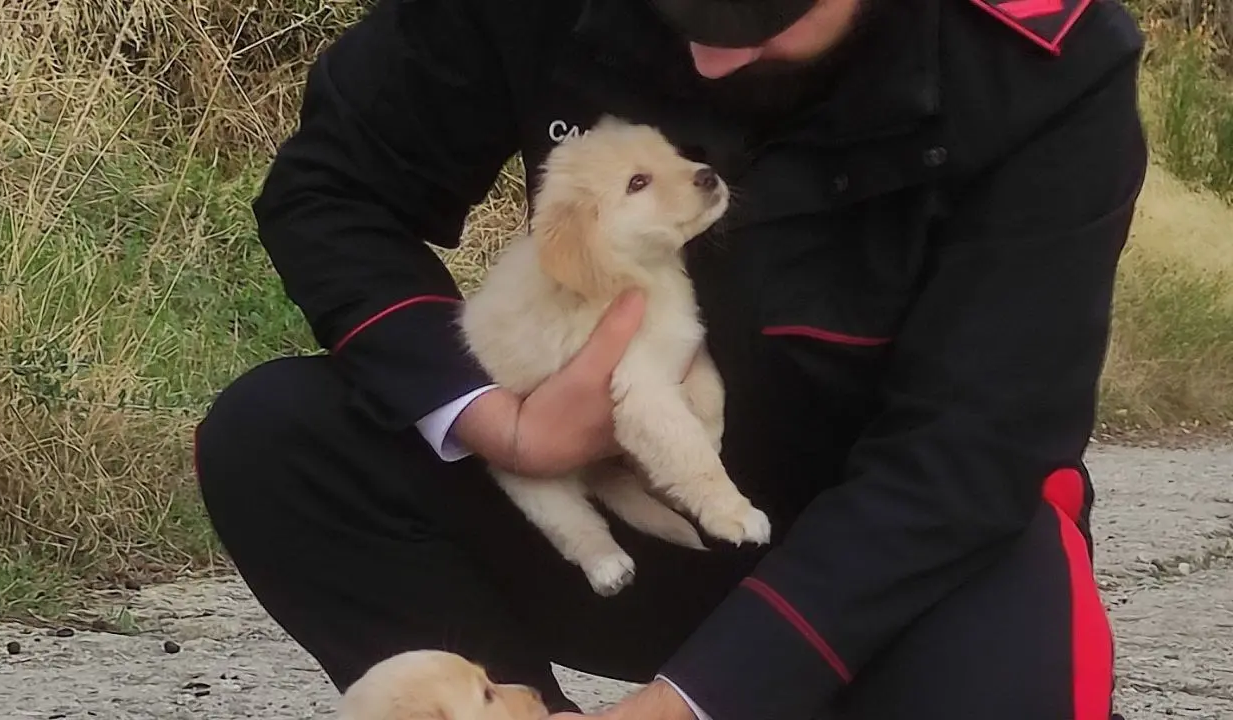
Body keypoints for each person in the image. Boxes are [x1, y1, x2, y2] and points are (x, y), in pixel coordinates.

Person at [193, 0, 1149, 717]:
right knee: (280, 440)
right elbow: (332, 191)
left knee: (1011, 676)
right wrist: (501, 420)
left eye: (761, 12)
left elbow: (976, 446)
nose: (709, 54)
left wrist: (689, 703)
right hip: (609, 506)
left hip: (883, 553)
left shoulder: (1041, 65)